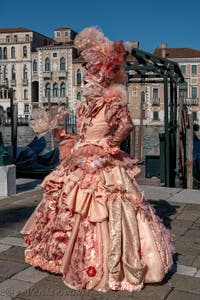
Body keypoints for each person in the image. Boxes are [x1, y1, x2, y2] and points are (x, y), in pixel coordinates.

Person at [21, 27, 174, 292]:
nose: (88, 79)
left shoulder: (113, 101)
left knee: (107, 207)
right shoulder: (84, 105)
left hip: (102, 160)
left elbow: (127, 126)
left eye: (93, 74)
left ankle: (110, 264)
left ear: (104, 77)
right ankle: (61, 256)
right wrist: (64, 134)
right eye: (88, 74)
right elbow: (83, 132)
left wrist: (110, 145)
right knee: (66, 202)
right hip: (80, 157)